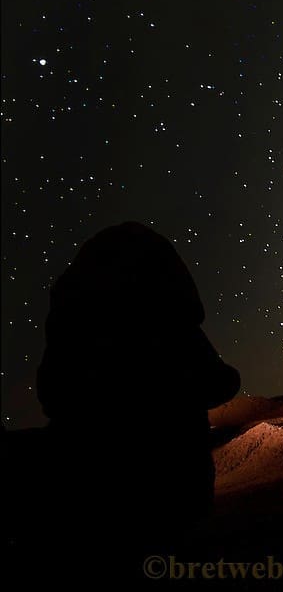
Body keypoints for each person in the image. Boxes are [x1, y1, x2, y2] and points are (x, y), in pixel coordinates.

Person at [4, 221, 240, 585]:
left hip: (128, 502)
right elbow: (218, 383)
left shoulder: (88, 335)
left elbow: (55, 395)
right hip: (164, 497)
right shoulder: (169, 332)